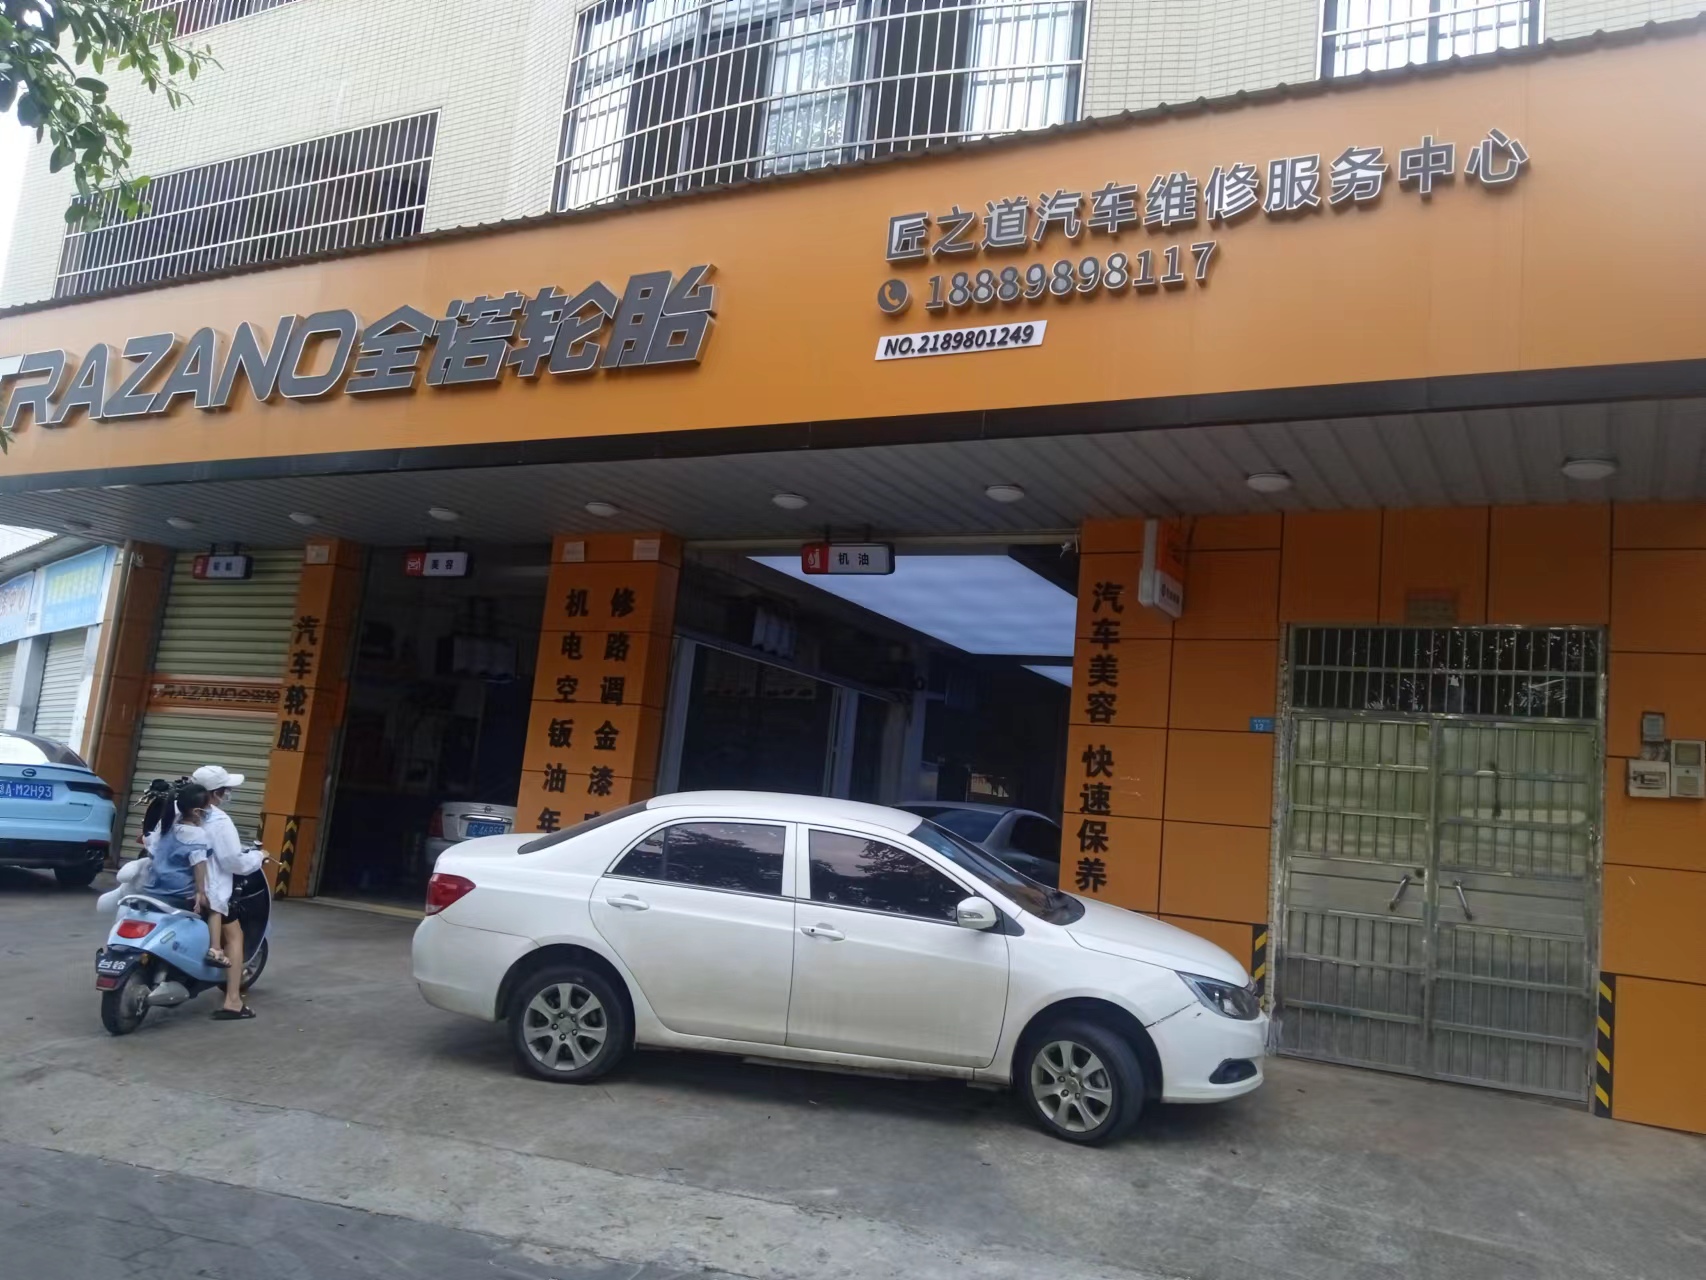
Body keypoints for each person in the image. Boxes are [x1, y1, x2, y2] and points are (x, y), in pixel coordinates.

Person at [191, 765, 264, 1020]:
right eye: (224, 790)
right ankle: (233, 1000)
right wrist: (258, 857)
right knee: (234, 936)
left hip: (173, 887)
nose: (227, 794)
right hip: (208, 891)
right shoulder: (219, 821)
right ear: (214, 793)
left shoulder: (177, 810)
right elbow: (233, 861)